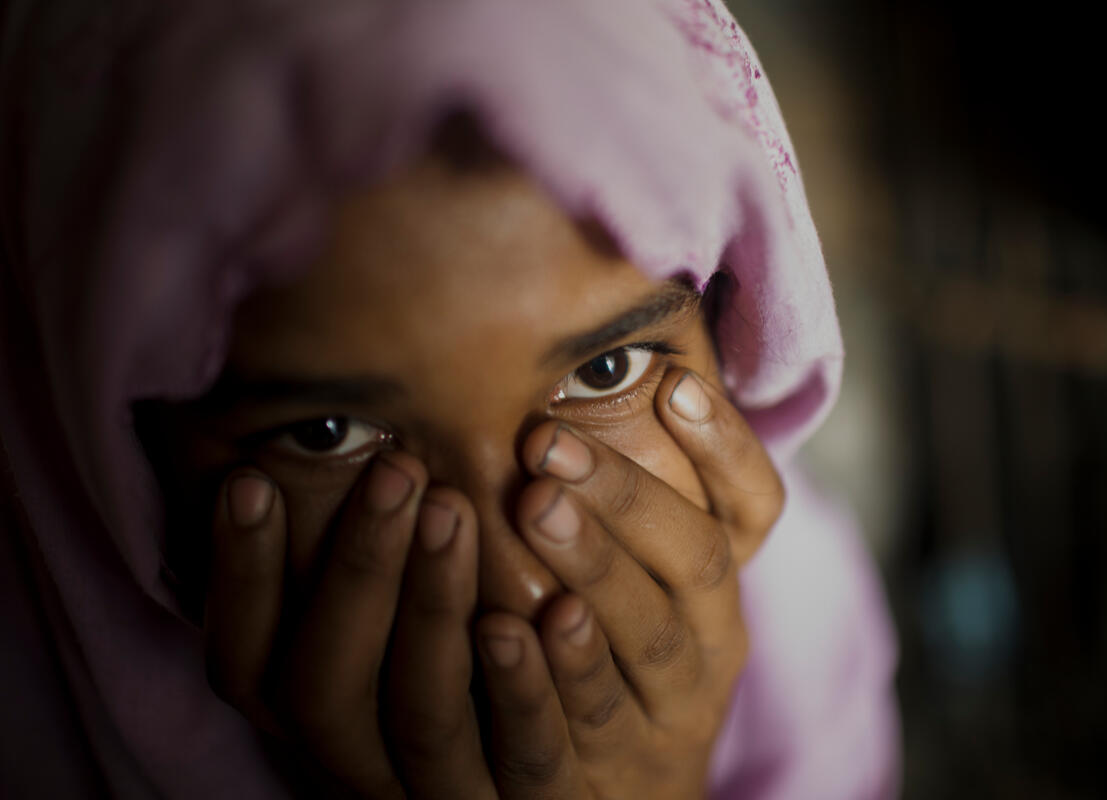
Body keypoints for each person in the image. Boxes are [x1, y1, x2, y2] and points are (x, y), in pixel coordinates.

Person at [0, 1, 899, 797]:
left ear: (734, 323)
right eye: (325, 434)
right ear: (108, 441)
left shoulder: (803, 652)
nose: (517, 584)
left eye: (606, 374)